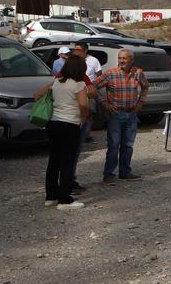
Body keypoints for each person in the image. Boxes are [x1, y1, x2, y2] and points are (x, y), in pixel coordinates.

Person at [33, 54, 90, 209]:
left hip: (53, 123)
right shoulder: (79, 84)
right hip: (70, 124)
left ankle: (51, 195)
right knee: (67, 162)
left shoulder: (57, 82)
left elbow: (37, 94)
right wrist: (84, 117)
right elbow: (83, 104)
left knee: (54, 161)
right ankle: (65, 199)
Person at [94, 48, 149, 182]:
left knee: (128, 145)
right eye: (119, 58)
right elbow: (93, 87)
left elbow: (146, 86)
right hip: (115, 114)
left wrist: (141, 102)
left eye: (124, 58)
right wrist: (103, 102)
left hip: (131, 115)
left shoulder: (138, 73)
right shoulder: (111, 73)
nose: (121, 61)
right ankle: (108, 174)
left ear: (131, 60)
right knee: (113, 145)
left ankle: (125, 172)